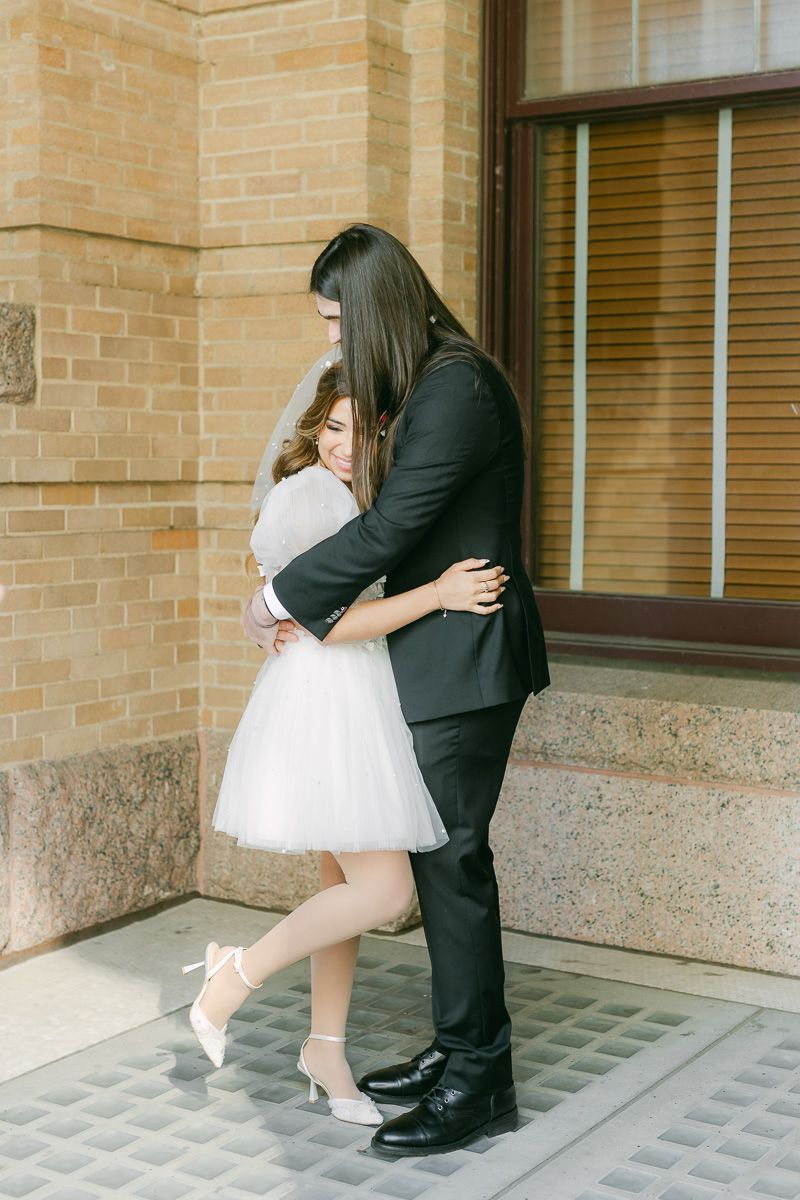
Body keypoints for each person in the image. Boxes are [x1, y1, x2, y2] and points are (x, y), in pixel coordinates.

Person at [243, 224, 550, 1158]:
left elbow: (391, 530)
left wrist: (278, 598)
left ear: (375, 308)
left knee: (452, 862)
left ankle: (480, 1077)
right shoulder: (427, 379)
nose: (333, 340)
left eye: (338, 321)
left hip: (465, 656)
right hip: (430, 652)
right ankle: (457, 1048)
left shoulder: (456, 387)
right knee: (437, 860)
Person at [182, 362, 507, 1130]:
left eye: (363, 435)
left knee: (340, 886)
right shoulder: (310, 498)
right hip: (330, 699)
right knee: (385, 892)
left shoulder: (351, 496)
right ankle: (235, 972)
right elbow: (328, 622)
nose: (343, 446)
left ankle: (326, 1050)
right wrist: (438, 594)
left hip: (357, 692)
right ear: (314, 424)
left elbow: (277, 602)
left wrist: (260, 618)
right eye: (333, 427)